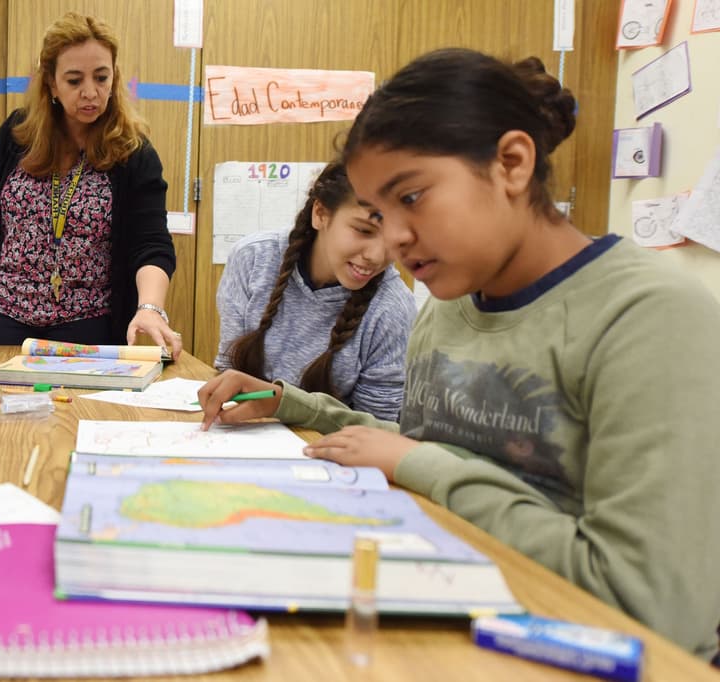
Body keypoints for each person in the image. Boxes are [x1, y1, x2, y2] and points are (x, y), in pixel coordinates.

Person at [197, 48, 720, 661]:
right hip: (446, 622)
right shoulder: (445, 309)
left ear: (512, 164)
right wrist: (294, 406)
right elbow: (418, 446)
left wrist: (425, 465)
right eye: (379, 215)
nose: (392, 241)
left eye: (411, 198)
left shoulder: (652, 317)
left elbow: (652, 605)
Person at [0, 12, 181, 357]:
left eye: (101, 78)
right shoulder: (17, 134)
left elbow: (151, 244)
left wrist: (150, 308)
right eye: (74, 80)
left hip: (88, 322)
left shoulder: (133, 153)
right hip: (6, 316)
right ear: (50, 83)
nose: (90, 93)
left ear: (114, 77)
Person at [214, 161, 415, 420]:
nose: (376, 256)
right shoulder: (253, 259)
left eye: (395, 238)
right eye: (364, 231)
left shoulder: (393, 307)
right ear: (320, 213)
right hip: (242, 435)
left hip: (331, 455)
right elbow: (228, 370)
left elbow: (376, 428)